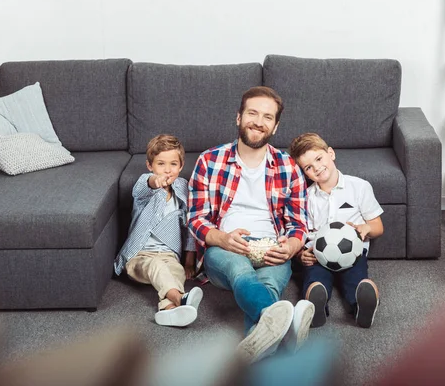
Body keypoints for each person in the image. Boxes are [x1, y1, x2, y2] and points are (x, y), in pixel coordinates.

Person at [188, 86, 314, 364]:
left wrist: (291, 246)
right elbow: (195, 218)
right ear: (238, 117)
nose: (259, 121)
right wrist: (221, 238)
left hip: (273, 248)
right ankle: (290, 324)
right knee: (240, 269)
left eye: (267, 117)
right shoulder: (209, 161)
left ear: (275, 125)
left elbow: (298, 222)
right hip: (226, 248)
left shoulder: (288, 166)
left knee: (268, 286)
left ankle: (257, 352)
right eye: (252, 113)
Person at [289, 132, 383, 329]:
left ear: (330, 153)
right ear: (304, 173)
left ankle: (362, 306)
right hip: (318, 253)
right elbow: (302, 232)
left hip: (353, 253)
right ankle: (316, 307)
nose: (317, 168)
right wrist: (300, 254)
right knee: (315, 277)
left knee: (355, 278)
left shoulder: (359, 187)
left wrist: (366, 228)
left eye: (319, 158)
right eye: (308, 167)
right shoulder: (306, 197)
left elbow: (378, 227)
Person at [114, 134, 203, 327]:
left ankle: (169, 310)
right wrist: (156, 181)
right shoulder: (145, 182)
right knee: (156, 266)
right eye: (161, 164)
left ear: (180, 166)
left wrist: (188, 262)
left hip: (169, 255)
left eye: (173, 164)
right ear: (150, 166)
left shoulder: (182, 187)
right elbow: (144, 187)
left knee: (175, 272)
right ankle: (182, 300)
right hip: (139, 256)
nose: (167, 170)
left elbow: (188, 226)